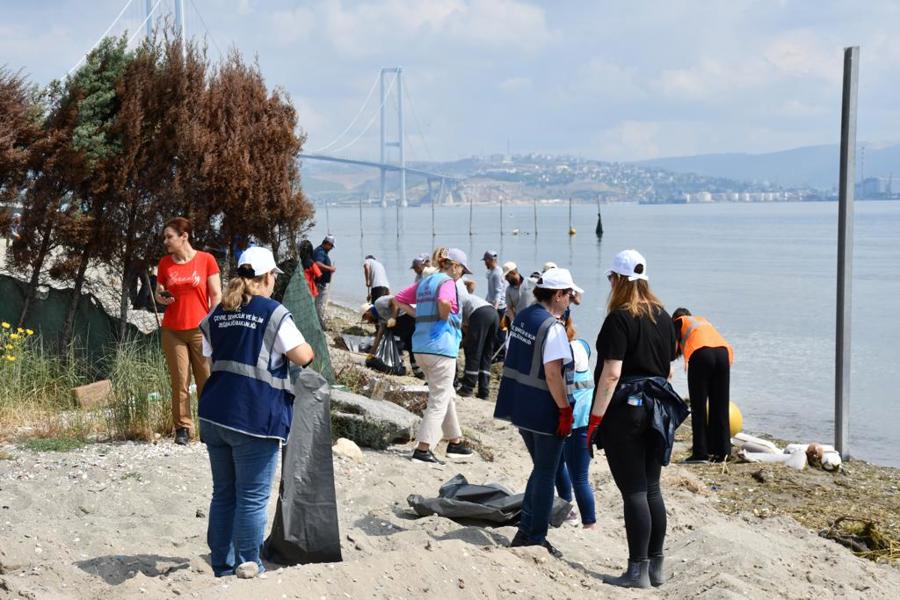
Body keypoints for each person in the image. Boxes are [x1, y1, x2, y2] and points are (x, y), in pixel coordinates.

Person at [198, 246, 314, 578]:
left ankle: (221, 563)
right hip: (253, 418)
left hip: (214, 413)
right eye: (273, 277)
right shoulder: (273, 312)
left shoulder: (219, 311)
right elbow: (304, 355)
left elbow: (208, 360)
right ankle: (249, 563)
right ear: (266, 277)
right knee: (251, 496)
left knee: (224, 492)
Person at [588, 249, 683, 589]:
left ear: (618, 280)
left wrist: (595, 419)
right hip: (659, 407)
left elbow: (612, 373)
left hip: (627, 410)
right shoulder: (663, 315)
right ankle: (656, 567)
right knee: (652, 489)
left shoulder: (619, 318)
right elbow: (668, 371)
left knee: (635, 492)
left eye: (611, 278)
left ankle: (636, 571)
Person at [494, 267, 583, 558]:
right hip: (544, 407)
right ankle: (535, 536)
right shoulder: (552, 328)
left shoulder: (523, 316)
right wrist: (565, 411)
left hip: (519, 404)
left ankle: (525, 529)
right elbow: (553, 373)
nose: (571, 299)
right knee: (546, 472)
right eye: (569, 294)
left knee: (540, 468)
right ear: (557, 295)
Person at [394, 248, 474, 464]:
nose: (461, 275)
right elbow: (445, 303)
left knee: (445, 393)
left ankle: (455, 442)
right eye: (462, 270)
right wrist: (443, 318)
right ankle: (423, 448)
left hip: (420, 346)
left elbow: (399, 299)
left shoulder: (426, 281)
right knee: (439, 399)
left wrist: (419, 315)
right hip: (441, 348)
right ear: (454, 266)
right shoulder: (447, 282)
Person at [155, 217, 222, 445]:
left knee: (206, 379)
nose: (166, 241)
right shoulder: (165, 263)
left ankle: (208, 426)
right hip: (172, 330)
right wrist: (162, 297)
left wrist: (213, 323)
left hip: (200, 330)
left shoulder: (206, 260)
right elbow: (159, 292)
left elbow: (216, 295)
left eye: (169, 237)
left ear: (184, 236)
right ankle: (182, 427)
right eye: (165, 237)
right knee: (180, 380)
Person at [672, 307, 734, 463]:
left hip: (701, 355)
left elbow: (670, 350)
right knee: (720, 405)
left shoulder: (679, 322)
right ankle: (723, 452)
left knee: (698, 406)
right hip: (723, 354)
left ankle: (700, 454)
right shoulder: (701, 321)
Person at [560, 323, 597, 529]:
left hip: (575, 420)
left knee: (577, 476)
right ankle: (571, 512)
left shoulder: (564, 354)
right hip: (584, 419)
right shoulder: (582, 345)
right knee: (570, 470)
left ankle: (587, 521)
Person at [455, 278, 498, 399]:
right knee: (486, 353)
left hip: (479, 313)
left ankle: (468, 387)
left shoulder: (457, 304)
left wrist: (461, 344)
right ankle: (484, 391)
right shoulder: (467, 298)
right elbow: (467, 331)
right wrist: (465, 341)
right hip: (493, 313)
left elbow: (465, 332)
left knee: (474, 351)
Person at [362, 294, 422, 378]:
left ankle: (400, 366)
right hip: (403, 319)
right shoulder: (381, 318)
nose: (368, 321)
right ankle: (417, 371)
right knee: (410, 344)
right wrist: (371, 354)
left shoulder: (378, 303)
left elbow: (395, 301)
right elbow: (379, 334)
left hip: (405, 315)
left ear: (367, 312)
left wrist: (393, 318)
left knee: (398, 342)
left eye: (366, 318)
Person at [313, 235, 336, 326]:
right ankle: (320, 324)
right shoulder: (320, 252)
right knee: (321, 304)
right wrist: (330, 268)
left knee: (318, 304)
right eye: (331, 246)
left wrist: (328, 270)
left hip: (319, 282)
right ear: (327, 244)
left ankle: (318, 322)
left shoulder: (320, 251)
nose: (331, 248)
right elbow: (317, 263)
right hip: (320, 283)